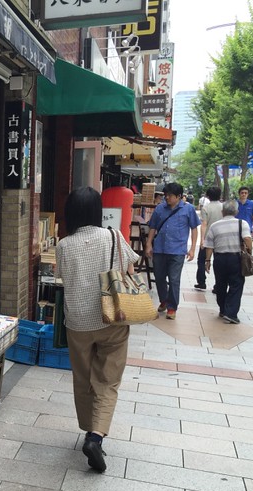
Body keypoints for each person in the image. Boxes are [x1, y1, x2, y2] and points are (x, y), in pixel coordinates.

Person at [55, 187, 139, 473]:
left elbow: (63, 277)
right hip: (112, 317)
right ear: (96, 211)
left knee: (83, 378)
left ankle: (88, 427)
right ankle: (96, 435)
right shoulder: (113, 235)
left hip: (77, 321)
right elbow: (130, 264)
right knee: (108, 379)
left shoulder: (64, 244)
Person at [144, 182, 200, 320]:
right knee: (159, 277)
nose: (167, 198)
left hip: (177, 251)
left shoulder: (188, 209)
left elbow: (194, 228)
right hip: (160, 249)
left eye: (170, 196)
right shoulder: (159, 209)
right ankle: (164, 300)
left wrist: (192, 249)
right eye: (165, 195)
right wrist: (149, 244)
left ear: (179, 196)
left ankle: (172, 307)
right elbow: (153, 227)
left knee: (174, 279)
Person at [202, 201, 252, 325]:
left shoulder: (215, 225)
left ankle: (223, 310)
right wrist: (250, 251)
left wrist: (208, 260)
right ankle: (231, 314)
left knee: (220, 285)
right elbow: (247, 238)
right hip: (236, 259)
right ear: (236, 212)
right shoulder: (242, 223)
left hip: (219, 259)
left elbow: (209, 245)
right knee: (236, 285)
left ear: (222, 212)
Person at [195, 186, 223, 291]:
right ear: (219, 195)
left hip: (208, 239)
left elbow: (204, 224)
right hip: (221, 238)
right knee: (218, 262)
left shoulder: (205, 208)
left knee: (201, 260)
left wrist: (202, 239)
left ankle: (201, 282)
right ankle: (218, 285)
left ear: (208, 196)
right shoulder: (224, 207)